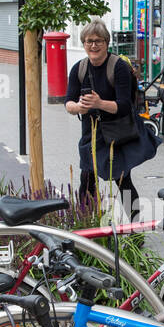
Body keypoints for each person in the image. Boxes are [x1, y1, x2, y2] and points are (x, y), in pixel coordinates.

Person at [65, 19, 142, 219]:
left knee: (122, 181)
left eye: (98, 41)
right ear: (83, 43)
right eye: (89, 41)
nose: (94, 45)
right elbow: (68, 103)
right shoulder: (78, 68)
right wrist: (80, 107)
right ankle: (87, 227)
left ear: (107, 42)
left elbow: (125, 106)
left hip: (115, 134)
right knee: (87, 182)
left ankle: (135, 229)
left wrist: (99, 103)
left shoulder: (118, 67)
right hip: (90, 134)